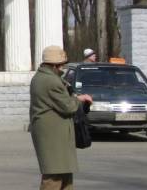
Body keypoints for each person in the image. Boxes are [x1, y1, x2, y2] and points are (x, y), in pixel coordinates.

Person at [29, 45, 93, 190]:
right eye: (60, 65)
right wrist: (80, 99)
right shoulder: (51, 81)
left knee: (65, 176)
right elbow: (68, 106)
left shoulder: (42, 77)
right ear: (53, 65)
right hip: (53, 136)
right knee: (53, 177)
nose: (62, 68)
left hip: (55, 134)